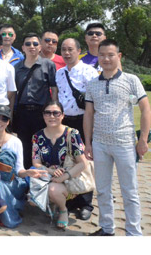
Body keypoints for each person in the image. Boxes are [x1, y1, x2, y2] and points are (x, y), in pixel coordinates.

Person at [84, 39, 150, 236]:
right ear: (98, 57)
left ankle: (133, 233)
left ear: (119, 56)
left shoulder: (131, 80)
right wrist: (88, 143)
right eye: (102, 55)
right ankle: (107, 228)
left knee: (130, 191)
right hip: (99, 143)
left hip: (125, 144)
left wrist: (143, 139)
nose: (106, 59)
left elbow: (146, 110)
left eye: (110, 55)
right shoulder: (92, 84)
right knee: (103, 190)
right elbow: (89, 114)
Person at [56, 38, 98, 220]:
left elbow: (95, 100)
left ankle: (86, 203)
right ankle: (71, 199)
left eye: (70, 49)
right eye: (63, 49)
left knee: (85, 161)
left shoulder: (89, 72)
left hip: (83, 121)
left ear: (79, 51)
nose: (66, 53)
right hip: (65, 121)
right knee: (68, 161)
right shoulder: (59, 73)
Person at [32, 100, 88, 230]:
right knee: (32, 197)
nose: (51, 116)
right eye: (47, 113)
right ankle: (53, 202)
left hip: (70, 179)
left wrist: (64, 176)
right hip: (48, 176)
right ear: (43, 115)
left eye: (56, 113)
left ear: (62, 115)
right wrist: (51, 172)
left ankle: (63, 210)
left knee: (53, 190)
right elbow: (36, 163)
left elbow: (82, 163)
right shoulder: (37, 137)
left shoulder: (72, 134)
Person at [13, 33, 58, 169]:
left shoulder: (48, 65)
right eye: (28, 44)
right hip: (22, 112)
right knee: (25, 145)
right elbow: (13, 92)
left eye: (35, 44)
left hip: (41, 112)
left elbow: (54, 88)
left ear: (40, 47)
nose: (31, 46)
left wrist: (54, 110)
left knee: (43, 144)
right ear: (23, 48)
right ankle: (26, 175)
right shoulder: (16, 68)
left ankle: (44, 174)